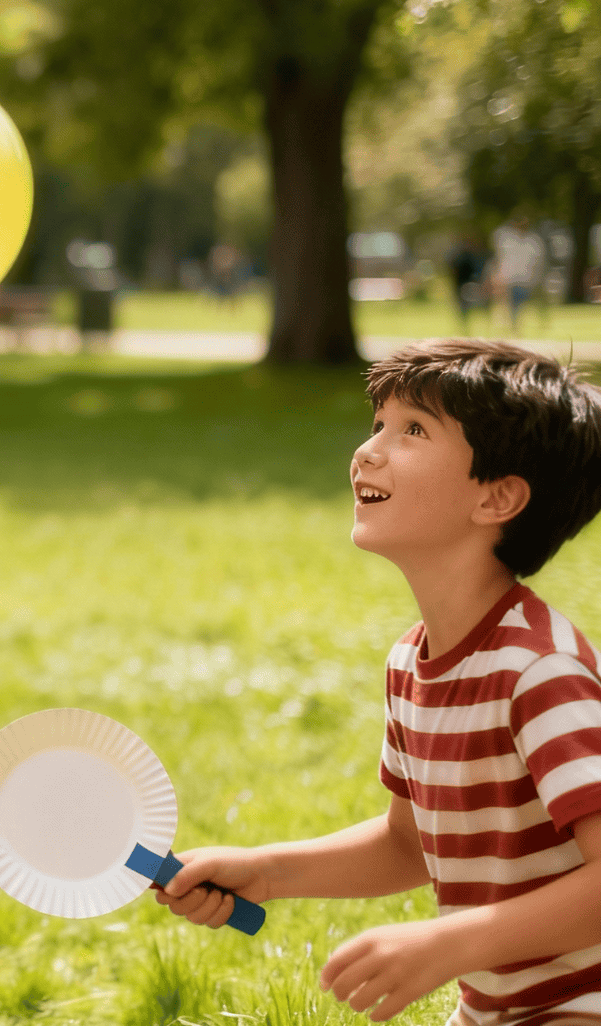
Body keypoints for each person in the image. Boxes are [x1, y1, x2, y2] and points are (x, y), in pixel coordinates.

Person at [157, 339, 601, 1026]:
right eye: (378, 426)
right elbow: (410, 843)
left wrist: (446, 944)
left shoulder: (538, 671)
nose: (368, 451)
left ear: (498, 497)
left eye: (413, 431)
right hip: (497, 1007)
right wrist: (266, 870)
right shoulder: (413, 662)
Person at [490, 216, 547, 333]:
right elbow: (501, 258)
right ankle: (514, 325)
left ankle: (534, 322)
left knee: (523, 303)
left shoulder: (533, 241)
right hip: (511, 278)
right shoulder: (507, 240)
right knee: (513, 304)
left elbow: (538, 261)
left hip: (526, 279)